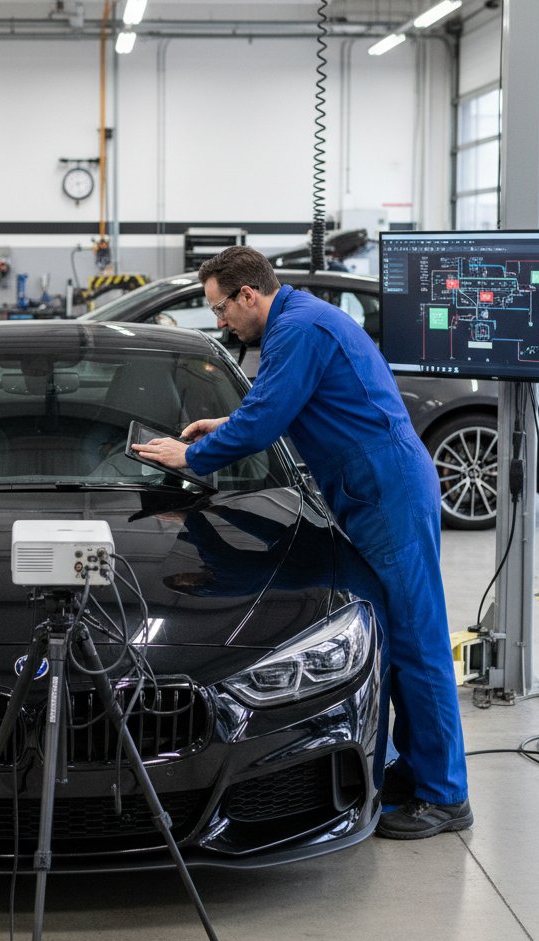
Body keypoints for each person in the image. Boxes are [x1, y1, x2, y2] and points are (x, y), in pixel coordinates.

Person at [131, 245, 471, 840]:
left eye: (219, 309)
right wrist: (221, 427)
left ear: (247, 295)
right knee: (396, 635)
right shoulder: (299, 322)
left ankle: (446, 795)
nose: (220, 322)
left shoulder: (299, 329)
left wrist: (191, 456)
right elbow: (273, 406)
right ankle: (414, 773)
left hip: (385, 490)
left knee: (418, 640)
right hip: (368, 487)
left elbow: (263, 424)